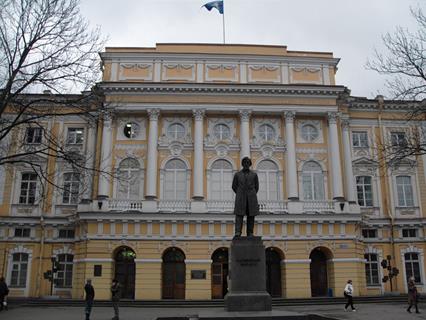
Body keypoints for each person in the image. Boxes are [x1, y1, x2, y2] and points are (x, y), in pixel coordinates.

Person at [232, 157, 259, 237]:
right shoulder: (237, 175)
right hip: (240, 197)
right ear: (242, 164)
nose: (246, 164)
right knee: (239, 215)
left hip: (251, 198)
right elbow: (234, 186)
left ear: (250, 164)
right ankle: (238, 232)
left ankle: (250, 232)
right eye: (245, 163)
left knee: (251, 216)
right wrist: (240, 193)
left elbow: (256, 187)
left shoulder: (254, 175)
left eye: (248, 163)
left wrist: (251, 193)